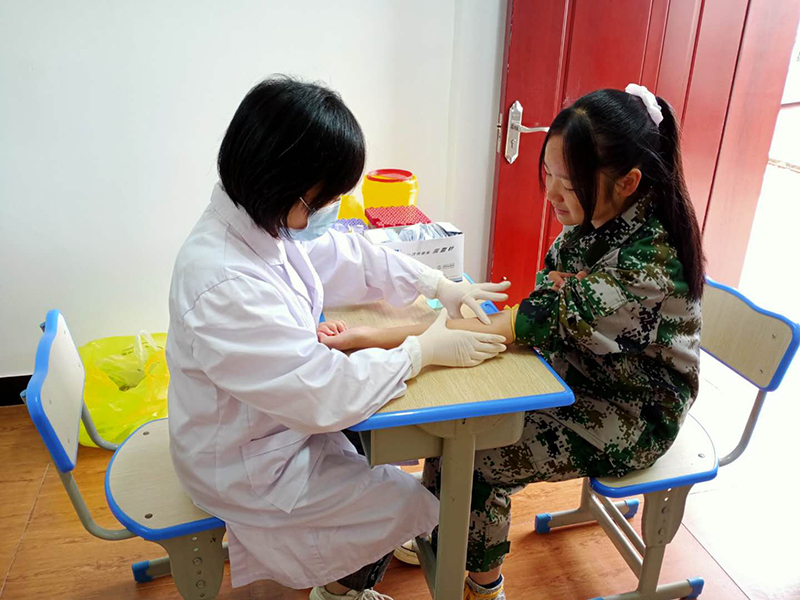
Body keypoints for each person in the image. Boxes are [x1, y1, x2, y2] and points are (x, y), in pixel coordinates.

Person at [320, 84, 705, 600]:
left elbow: (509, 323)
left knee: (479, 449)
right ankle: (435, 526)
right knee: (451, 425)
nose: (552, 194)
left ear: (628, 182)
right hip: (575, 374)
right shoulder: (598, 219)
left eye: (569, 183)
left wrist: (369, 336)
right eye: (549, 174)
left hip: (633, 413)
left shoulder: (646, 263)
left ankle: (483, 586)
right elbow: (534, 309)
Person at [165, 76, 511, 600]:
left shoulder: (257, 225)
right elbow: (322, 394)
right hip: (245, 464)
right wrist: (419, 352)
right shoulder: (223, 281)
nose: (329, 210)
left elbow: (345, 254)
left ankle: (338, 583)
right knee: (405, 502)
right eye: (323, 199)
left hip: (269, 428)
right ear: (282, 185)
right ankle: (333, 590)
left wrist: (436, 284)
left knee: (383, 461)